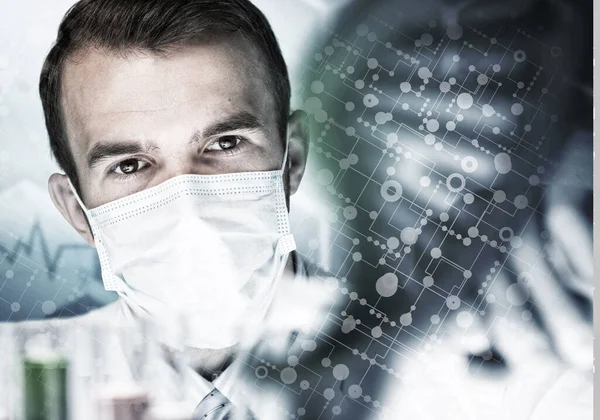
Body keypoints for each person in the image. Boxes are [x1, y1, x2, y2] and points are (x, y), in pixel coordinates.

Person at [30, 0, 330, 418]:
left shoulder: (427, 374)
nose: (189, 209)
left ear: (292, 158)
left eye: (225, 143)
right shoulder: (25, 394)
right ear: (77, 212)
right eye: (129, 166)